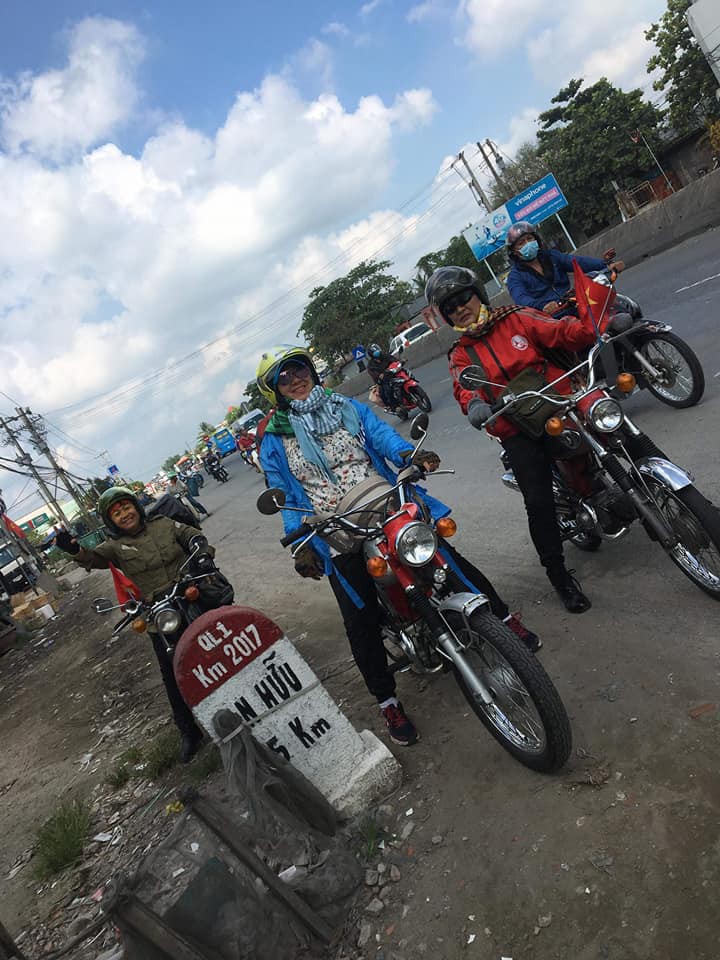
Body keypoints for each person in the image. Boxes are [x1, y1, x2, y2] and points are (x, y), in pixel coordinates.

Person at [256, 345, 541, 747]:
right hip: (334, 527)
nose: (295, 380)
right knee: (359, 619)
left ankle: (503, 621)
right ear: (274, 389)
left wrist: (408, 454)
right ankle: (387, 701)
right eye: (284, 378)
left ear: (311, 371)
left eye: (299, 369)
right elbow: (284, 493)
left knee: (446, 561)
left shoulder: (344, 406)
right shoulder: (273, 439)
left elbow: (381, 436)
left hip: (384, 501)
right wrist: (300, 542)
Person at [426, 266, 633, 615]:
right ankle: (560, 578)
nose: (460, 308)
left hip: (560, 399)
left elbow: (561, 331)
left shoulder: (516, 317)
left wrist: (604, 324)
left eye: (463, 298)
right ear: (446, 317)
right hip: (517, 426)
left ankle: (664, 490)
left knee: (617, 428)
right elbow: (464, 387)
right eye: (451, 307)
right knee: (538, 502)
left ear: (478, 295)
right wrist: (475, 404)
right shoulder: (460, 354)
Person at [54, 487, 233, 761]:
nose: (124, 514)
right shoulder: (114, 546)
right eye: (116, 513)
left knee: (226, 639)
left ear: (136, 507)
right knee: (172, 671)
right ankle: (188, 731)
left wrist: (201, 552)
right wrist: (74, 549)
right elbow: (93, 558)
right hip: (159, 611)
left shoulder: (163, 524)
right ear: (110, 520)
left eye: (126, 507)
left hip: (191, 591)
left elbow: (190, 534)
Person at [506, 221, 625, 315]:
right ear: (514, 251)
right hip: (554, 319)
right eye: (521, 243)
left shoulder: (552, 256)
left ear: (536, 239)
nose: (527, 243)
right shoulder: (515, 277)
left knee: (618, 311)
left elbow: (577, 262)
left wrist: (606, 265)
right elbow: (521, 298)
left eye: (529, 238)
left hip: (576, 303)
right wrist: (542, 306)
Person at [367, 343, 397, 410]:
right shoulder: (371, 365)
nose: (377, 351)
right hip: (384, 380)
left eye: (377, 349)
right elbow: (374, 375)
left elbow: (394, 359)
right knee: (387, 390)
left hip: (393, 373)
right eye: (374, 351)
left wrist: (400, 361)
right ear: (371, 354)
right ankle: (394, 406)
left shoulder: (384, 356)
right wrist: (380, 375)